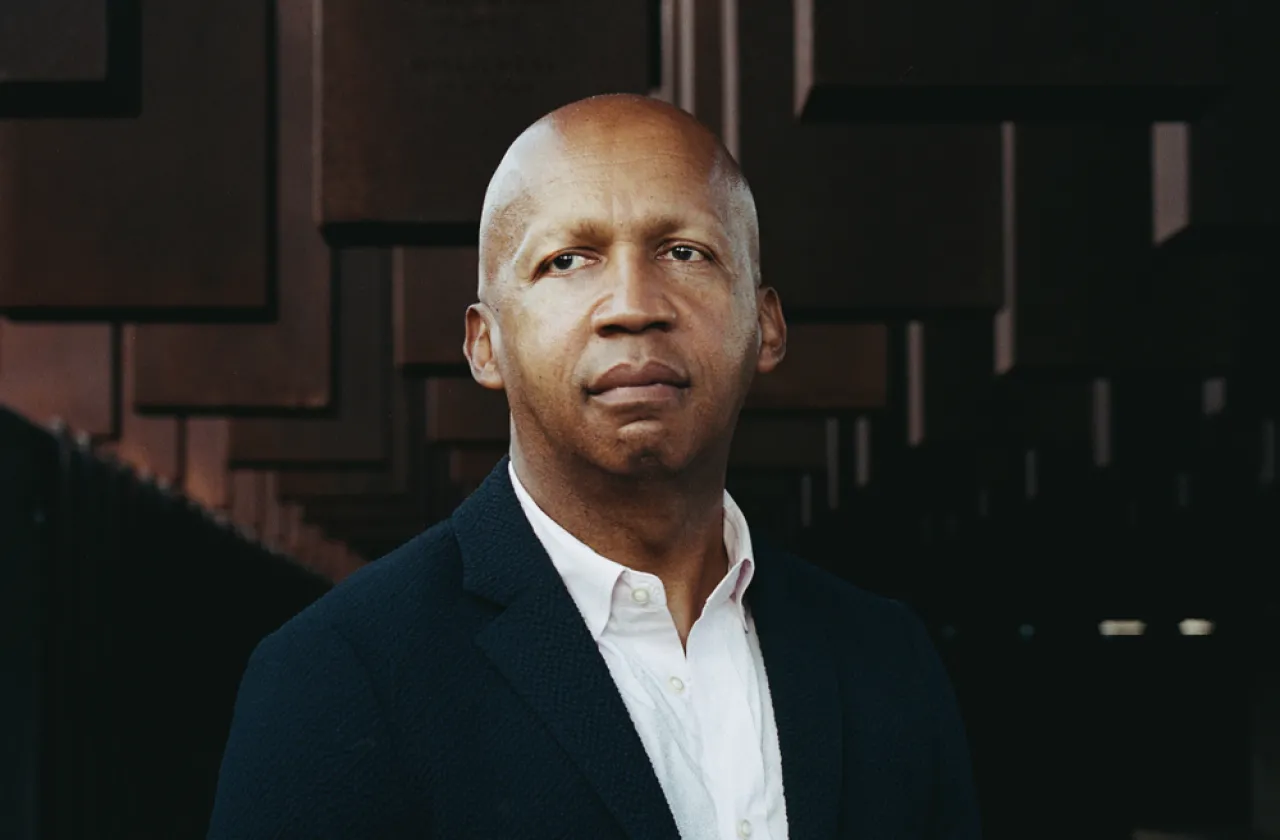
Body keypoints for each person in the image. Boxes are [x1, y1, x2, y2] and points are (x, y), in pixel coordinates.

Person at [206, 94, 981, 840]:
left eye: (685, 252)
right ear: (485, 344)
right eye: (567, 260)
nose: (632, 304)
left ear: (766, 325)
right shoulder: (339, 676)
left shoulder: (885, 660)